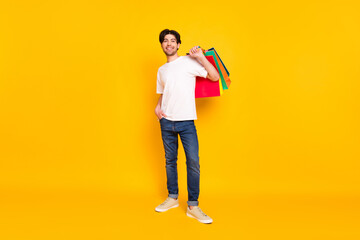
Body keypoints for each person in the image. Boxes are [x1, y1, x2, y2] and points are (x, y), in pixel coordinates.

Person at [154, 29, 220, 224]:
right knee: (169, 161)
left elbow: (215, 77)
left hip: (186, 121)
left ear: (178, 44)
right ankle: (172, 198)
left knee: (193, 162)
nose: (169, 44)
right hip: (166, 122)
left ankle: (193, 205)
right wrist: (157, 107)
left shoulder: (188, 62)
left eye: (173, 41)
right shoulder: (161, 70)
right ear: (162, 45)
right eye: (165, 41)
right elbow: (164, 92)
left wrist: (200, 57)